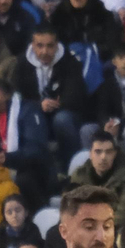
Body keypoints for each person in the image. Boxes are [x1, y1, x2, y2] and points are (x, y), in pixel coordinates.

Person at [15, 25, 88, 164]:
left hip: (64, 112)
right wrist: (39, 105)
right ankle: (37, 167)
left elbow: (76, 95)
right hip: (34, 111)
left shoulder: (70, 61)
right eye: (40, 46)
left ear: (57, 45)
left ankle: (71, 165)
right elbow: (18, 97)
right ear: (32, 45)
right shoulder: (22, 63)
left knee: (62, 120)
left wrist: (53, 104)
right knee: (33, 119)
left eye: (50, 46)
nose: (45, 51)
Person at [0, 77, 51, 199]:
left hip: (29, 171)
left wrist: (7, 158)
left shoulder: (28, 111)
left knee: (24, 180)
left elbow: (36, 150)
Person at [69, 131, 125, 244]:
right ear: (90, 154)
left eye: (108, 152)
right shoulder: (79, 175)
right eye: (98, 152)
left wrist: (99, 228)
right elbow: (70, 207)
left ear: (115, 153)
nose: (103, 157)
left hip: (115, 230)